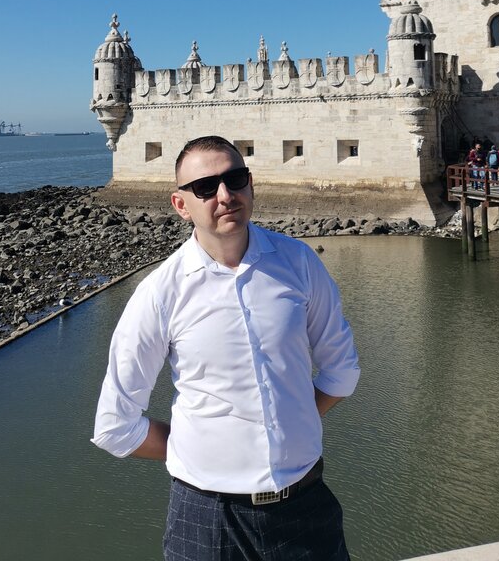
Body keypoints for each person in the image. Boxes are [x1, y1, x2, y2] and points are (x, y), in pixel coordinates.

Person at [92, 135, 360, 561]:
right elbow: (114, 426)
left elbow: (342, 370)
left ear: (250, 184)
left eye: (235, 179)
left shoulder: (300, 263)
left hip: (305, 505)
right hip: (206, 518)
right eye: (204, 187)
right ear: (181, 205)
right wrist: (190, 445)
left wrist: (290, 417)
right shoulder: (160, 292)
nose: (224, 195)